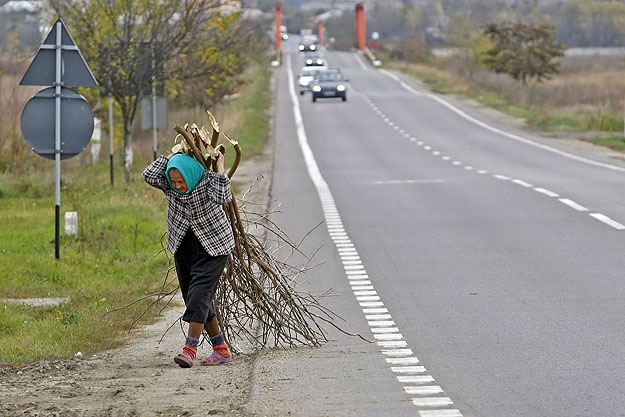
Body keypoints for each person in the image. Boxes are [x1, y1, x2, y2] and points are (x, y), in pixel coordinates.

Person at [142, 151, 235, 368]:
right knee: (195, 298)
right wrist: (169, 158)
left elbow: (224, 197)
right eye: (174, 181)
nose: (178, 186)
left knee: (199, 294)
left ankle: (189, 349)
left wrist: (220, 167)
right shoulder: (168, 184)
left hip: (214, 247)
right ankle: (221, 350)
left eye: (181, 181)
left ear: (191, 176)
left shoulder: (206, 179)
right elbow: (148, 175)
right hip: (183, 247)